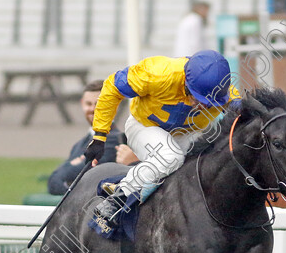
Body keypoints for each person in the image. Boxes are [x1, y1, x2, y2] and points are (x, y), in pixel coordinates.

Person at [85, 49, 240, 222]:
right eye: (198, 99)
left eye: (209, 102)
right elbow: (112, 86)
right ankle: (117, 198)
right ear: (186, 82)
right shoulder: (157, 73)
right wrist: (99, 136)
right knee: (170, 157)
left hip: (187, 134)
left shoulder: (223, 91)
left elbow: (245, 113)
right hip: (144, 127)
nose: (203, 106)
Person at [46, 80, 132, 195]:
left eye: (98, 104)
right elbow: (54, 182)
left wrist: (70, 168)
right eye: (88, 104)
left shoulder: (114, 140)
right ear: (82, 103)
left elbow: (81, 178)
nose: (92, 109)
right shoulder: (79, 144)